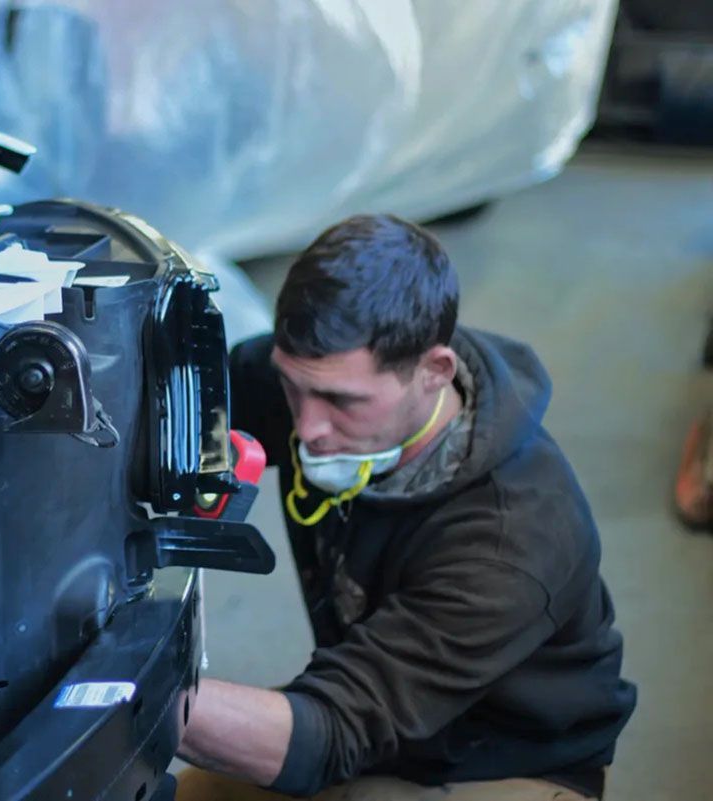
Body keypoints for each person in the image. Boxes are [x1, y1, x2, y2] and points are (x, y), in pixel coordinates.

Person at [176, 214, 636, 801]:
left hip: (504, 762)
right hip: (384, 703)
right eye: (292, 387)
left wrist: (126, 697)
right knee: (193, 794)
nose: (308, 427)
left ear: (434, 371)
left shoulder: (511, 540)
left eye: (343, 402)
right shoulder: (326, 376)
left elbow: (333, 731)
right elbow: (190, 397)